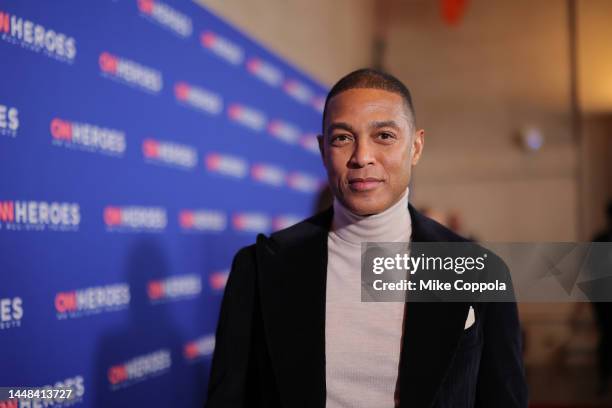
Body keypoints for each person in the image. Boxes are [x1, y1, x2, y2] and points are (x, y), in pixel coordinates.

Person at [204, 69, 528, 408]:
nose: (362, 156)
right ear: (322, 149)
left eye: (384, 136)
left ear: (415, 147)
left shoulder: (478, 271)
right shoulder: (259, 267)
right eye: (342, 138)